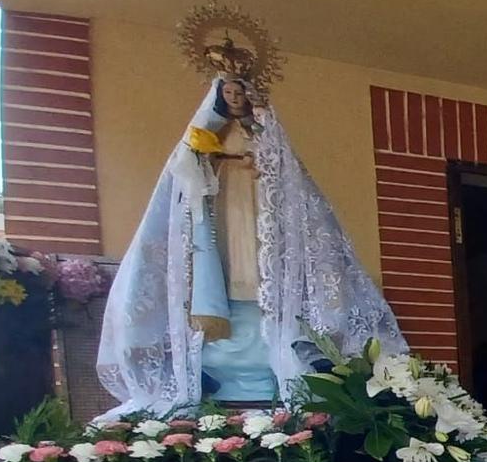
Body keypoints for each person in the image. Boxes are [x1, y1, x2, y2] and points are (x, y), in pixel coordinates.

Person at [98, 72, 403, 413]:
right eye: (227, 92)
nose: (233, 98)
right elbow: (183, 169)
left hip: (260, 205)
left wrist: (264, 162)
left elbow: (286, 175)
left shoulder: (261, 131)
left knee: (257, 259)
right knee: (222, 259)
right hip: (219, 204)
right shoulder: (205, 133)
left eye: (238, 92)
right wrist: (208, 165)